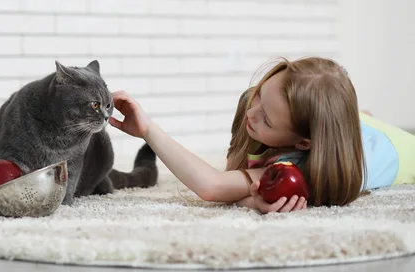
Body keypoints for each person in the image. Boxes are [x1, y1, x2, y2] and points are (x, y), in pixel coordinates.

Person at [108, 57, 415, 213]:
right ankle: (365, 117)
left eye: (266, 118)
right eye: (260, 96)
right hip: (361, 125)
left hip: (402, 148)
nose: (251, 115)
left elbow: (213, 186)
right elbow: (235, 168)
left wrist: (147, 129)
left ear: (303, 142)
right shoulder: (255, 106)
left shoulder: (303, 169)